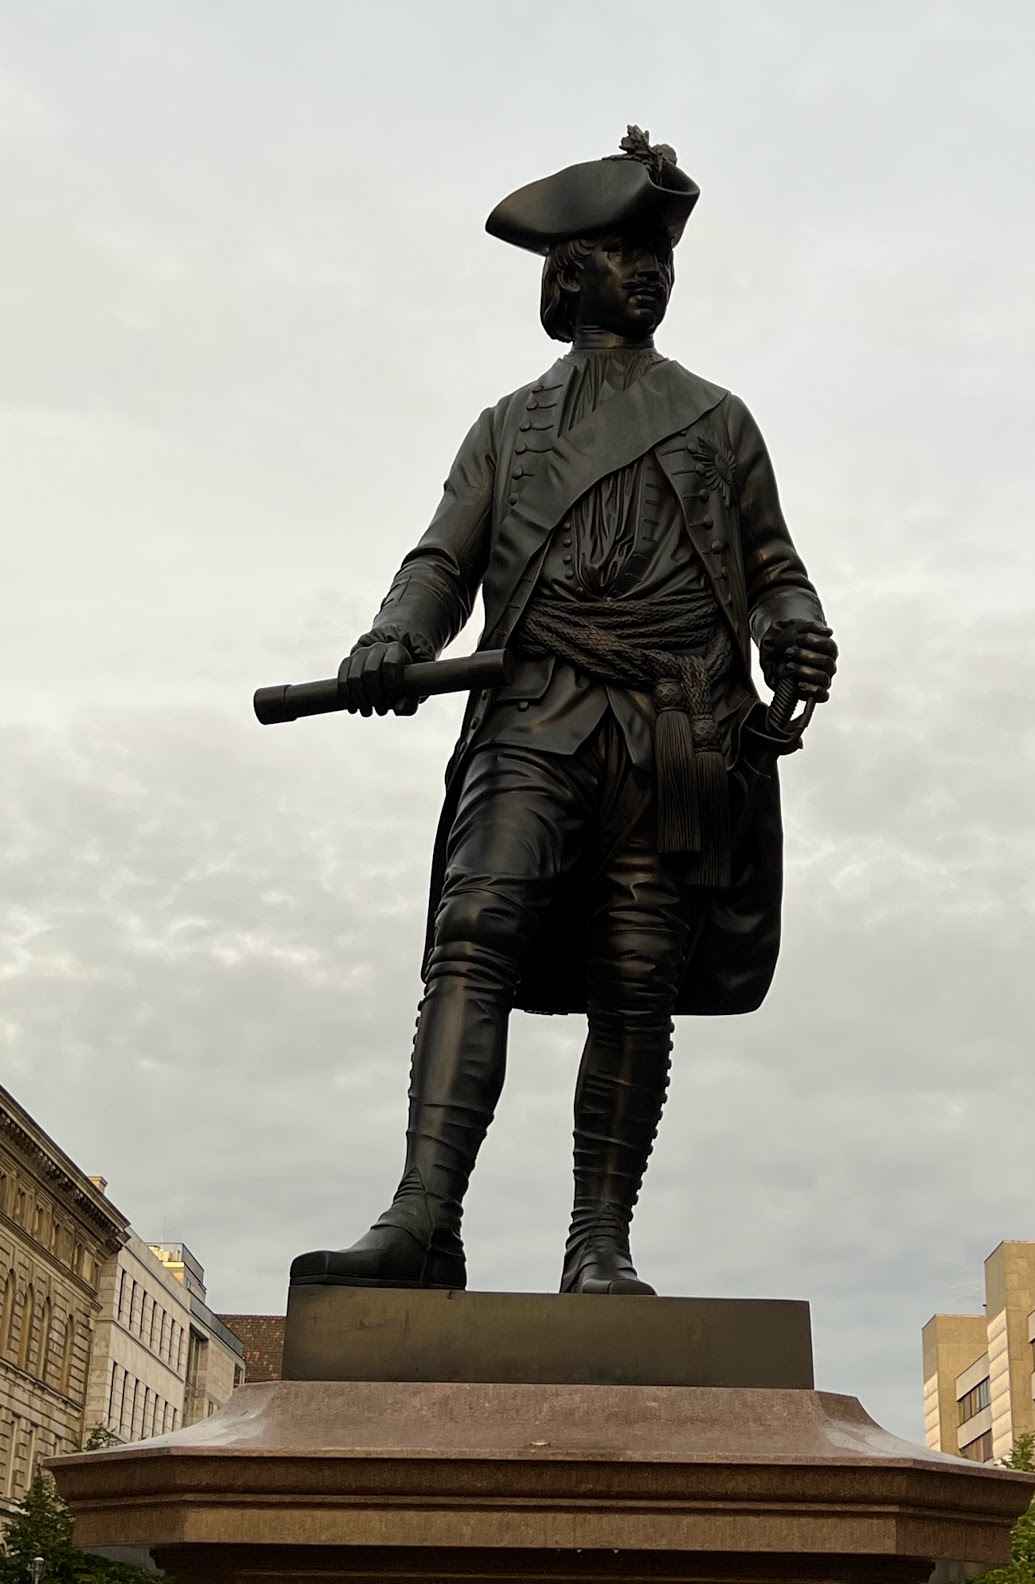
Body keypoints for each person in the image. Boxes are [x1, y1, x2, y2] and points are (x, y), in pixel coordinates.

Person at [290, 127, 837, 1296]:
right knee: (474, 929)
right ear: (568, 273)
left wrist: (793, 627)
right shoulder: (509, 424)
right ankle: (423, 1215)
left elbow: (774, 567)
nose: (649, 273)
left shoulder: (718, 419)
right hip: (534, 707)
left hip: (675, 727)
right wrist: (394, 639)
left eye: (660, 257)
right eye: (625, 254)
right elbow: (443, 559)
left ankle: (600, 1238)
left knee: (638, 974)